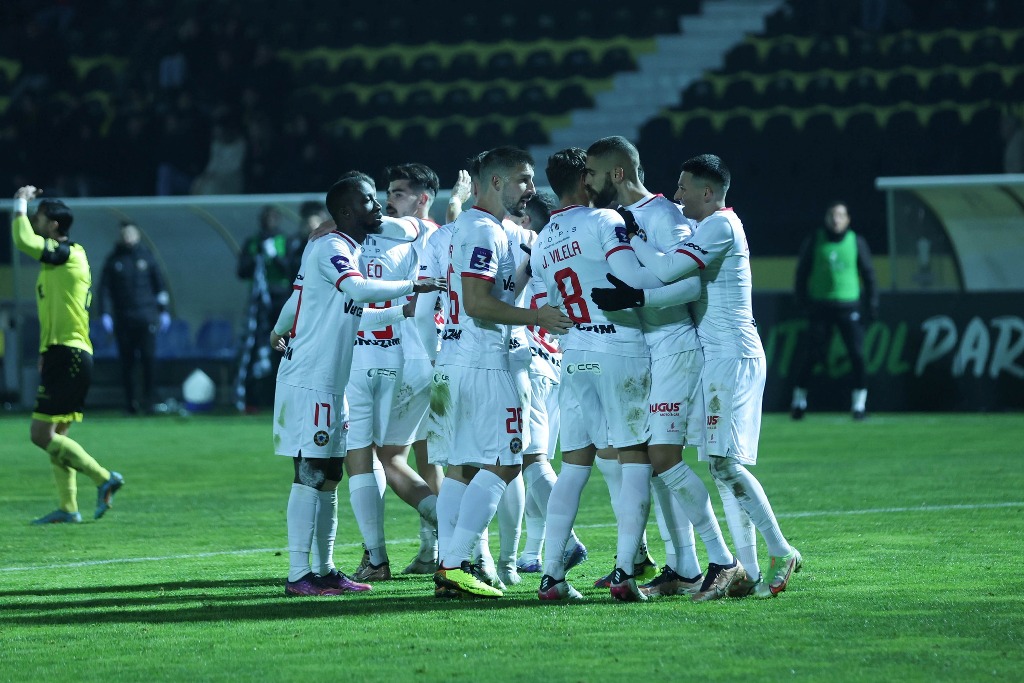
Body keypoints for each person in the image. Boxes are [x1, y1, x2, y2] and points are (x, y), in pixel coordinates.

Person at [595, 154, 802, 598]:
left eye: (685, 187)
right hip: (717, 357)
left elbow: (672, 269)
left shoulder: (721, 226)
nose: (677, 195)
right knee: (719, 464)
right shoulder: (712, 226)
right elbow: (669, 261)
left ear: (708, 192)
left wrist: (633, 283)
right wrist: (640, 243)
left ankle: (780, 550)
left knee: (726, 463)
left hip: (735, 356)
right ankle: (743, 568)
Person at [269, 172, 444, 597]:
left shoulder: (348, 248)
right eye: (368, 201)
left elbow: (355, 313)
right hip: (310, 379)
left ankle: (326, 570)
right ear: (346, 211)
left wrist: (401, 311)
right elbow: (358, 289)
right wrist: (412, 284)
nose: (377, 206)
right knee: (310, 472)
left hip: (332, 380)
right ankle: (298, 574)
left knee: (329, 474)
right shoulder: (330, 248)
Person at [530, 147, 692, 602]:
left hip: (573, 355)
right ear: (586, 179)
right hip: (618, 348)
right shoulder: (604, 222)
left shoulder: (542, 238)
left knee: (573, 467)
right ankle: (624, 571)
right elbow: (634, 278)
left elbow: (544, 305)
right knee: (635, 458)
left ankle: (551, 574)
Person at [584, 136, 740, 602]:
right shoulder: (618, 221)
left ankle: (722, 560)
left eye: (592, 173)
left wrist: (637, 297)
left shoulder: (663, 216)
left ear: (616, 174)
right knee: (656, 464)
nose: (587, 183)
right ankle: (683, 566)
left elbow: (689, 284)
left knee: (663, 459)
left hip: (674, 346)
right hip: (646, 348)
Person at [428, 146, 571, 599]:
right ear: (495, 182)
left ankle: (449, 565)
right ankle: (454, 564)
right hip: (486, 363)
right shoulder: (483, 232)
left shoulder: (476, 229)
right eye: (524, 179)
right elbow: (476, 302)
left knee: (461, 467)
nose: (531, 188)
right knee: (508, 463)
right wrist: (538, 318)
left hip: (455, 361)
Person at [11, 186, 124, 525]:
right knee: (56, 437)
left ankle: (104, 478)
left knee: (40, 435)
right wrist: (46, 350)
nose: (34, 221)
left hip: (70, 354)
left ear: (54, 224)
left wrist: (18, 203)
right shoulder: (56, 263)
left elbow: (23, 242)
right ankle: (68, 507)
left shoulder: (69, 253)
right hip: (63, 353)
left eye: (40, 217)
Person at [508, 192, 588, 581]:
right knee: (537, 461)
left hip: (532, 360)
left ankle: (567, 540)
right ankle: (530, 553)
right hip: (558, 363)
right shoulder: (564, 247)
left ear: (527, 220)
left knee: (529, 461)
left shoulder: (527, 248)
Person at [377, 163, 446, 575]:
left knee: (386, 457)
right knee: (430, 457)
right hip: (438, 355)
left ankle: (458, 530)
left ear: (422, 200)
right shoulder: (441, 236)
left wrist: (336, 217)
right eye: (388, 192)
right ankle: (430, 552)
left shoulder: (421, 232)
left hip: (416, 358)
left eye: (398, 193)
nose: (388, 201)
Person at [790, 201, 878, 421]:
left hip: (849, 307)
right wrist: (802, 301)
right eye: (832, 215)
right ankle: (799, 402)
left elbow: (869, 275)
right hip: (821, 307)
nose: (836, 219)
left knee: (857, 355)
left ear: (847, 219)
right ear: (826, 219)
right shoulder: (815, 240)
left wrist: (872, 304)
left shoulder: (856, 242)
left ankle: (859, 405)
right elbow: (802, 273)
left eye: (840, 215)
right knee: (812, 355)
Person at [97, 221, 172, 415]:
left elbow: (160, 286)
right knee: (127, 363)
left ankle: (150, 402)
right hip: (123, 319)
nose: (127, 237)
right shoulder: (114, 260)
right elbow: (104, 289)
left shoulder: (147, 257)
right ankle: (130, 404)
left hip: (146, 318)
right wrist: (105, 313)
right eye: (124, 234)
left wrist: (163, 311)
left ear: (137, 235)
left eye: (130, 233)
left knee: (148, 360)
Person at [236, 205, 291, 413]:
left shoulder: (285, 240)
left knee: (282, 347)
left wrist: (275, 256)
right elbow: (241, 271)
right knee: (255, 347)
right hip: (258, 304)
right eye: (265, 218)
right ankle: (253, 400)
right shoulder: (252, 242)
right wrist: (255, 257)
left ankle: (280, 398)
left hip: (280, 301)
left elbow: (290, 269)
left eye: (273, 217)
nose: (269, 221)